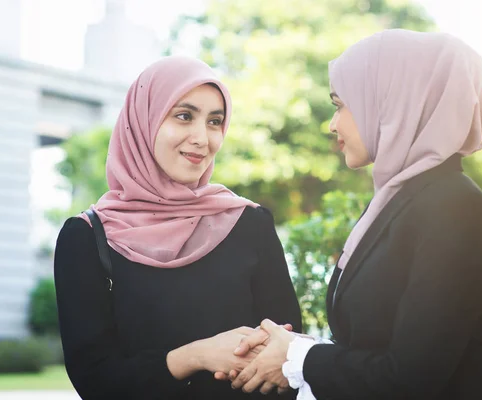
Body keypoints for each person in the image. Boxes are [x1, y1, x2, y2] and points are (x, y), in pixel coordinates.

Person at [221, 29, 482, 399]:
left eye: (340, 104)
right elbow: (379, 345)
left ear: (391, 102)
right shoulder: (400, 199)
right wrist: (293, 351)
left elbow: (410, 378)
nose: (333, 124)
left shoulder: (453, 206)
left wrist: (299, 357)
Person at [53, 56, 302, 399]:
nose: (202, 138)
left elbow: (285, 357)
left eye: (215, 121)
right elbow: (95, 380)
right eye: (184, 116)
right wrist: (195, 356)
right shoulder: (86, 237)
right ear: (143, 122)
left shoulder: (249, 223)